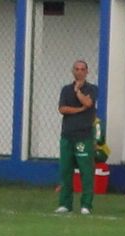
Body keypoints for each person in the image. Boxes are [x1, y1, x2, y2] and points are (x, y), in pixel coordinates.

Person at [55, 59, 99, 215]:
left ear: (87, 72)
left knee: (86, 172)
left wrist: (78, 91)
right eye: (77, 69)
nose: (79, 71)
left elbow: (88, 103)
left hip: (84, 136)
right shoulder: (65, 89)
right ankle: (65, 204)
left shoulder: (92, 88)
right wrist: (79, 110)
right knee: (66, 170)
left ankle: (86, 205)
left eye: (82, 69)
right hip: (67, 135)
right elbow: (62, 109)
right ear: (73, 71)